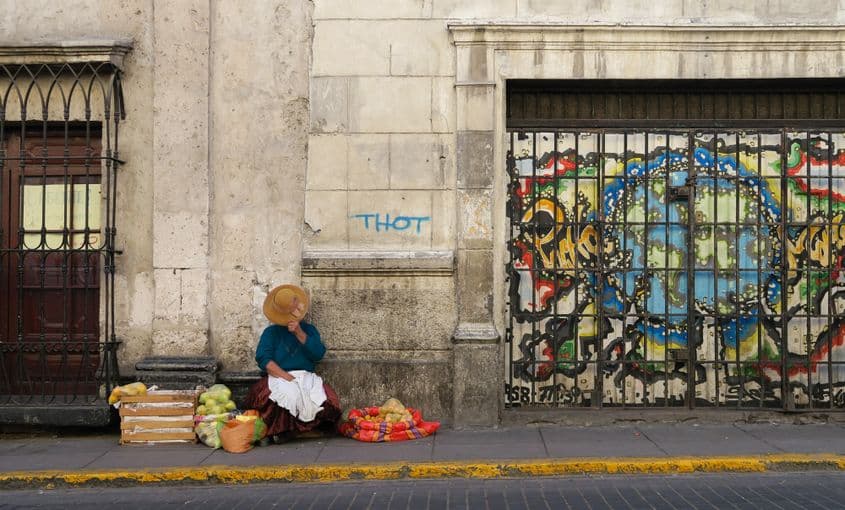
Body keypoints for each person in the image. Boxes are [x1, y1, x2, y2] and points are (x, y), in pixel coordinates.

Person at [244, 284, 341, 442]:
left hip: (305, 375)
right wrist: (285, 376)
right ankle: (282, 431)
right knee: (277, 398)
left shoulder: (308, 330)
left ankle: (308, 430)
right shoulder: (271, 333)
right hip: (279, 375)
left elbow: (318, 354)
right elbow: (264, 359)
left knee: (326, 399)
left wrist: (299, 333)